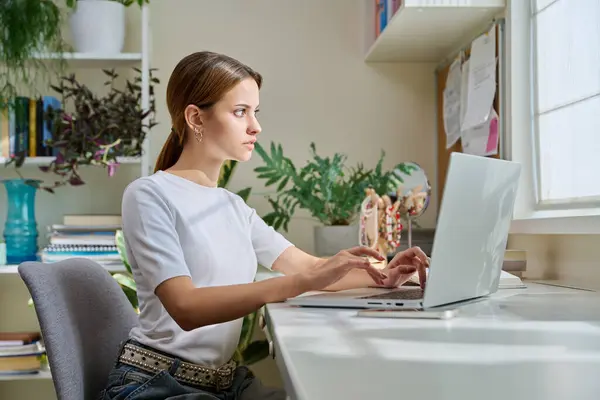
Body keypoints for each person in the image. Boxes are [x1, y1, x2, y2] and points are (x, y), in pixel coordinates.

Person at [98, 51, 430, 400]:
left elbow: (312, 267)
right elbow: (186, 307)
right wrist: (299, 283)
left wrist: (386, 275)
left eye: (255, 112)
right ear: (196, 117)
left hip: (223, 384)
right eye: (241, 112)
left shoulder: (233, 208)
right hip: (156, 385)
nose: (255, 126)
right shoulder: (149, 194)